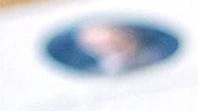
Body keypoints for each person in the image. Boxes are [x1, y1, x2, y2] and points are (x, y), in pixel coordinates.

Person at [44, 19, 181, 75]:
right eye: (98, 45)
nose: (111, 48)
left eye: (114, 41)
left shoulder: (155, 56)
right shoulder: (95, 71)